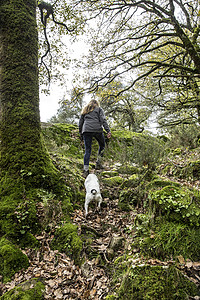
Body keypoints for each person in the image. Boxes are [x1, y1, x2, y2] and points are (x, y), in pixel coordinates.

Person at [79, 100, 111, 177]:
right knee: (102, 146)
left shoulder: (85, 110)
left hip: (86, 130)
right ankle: (98, 163)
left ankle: (86, 170)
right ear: (97, 104)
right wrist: (108, 131)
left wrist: (81, 133)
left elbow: (80, 123)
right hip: (97, 129)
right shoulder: (99, 109)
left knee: (87, 150)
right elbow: (103, 120)